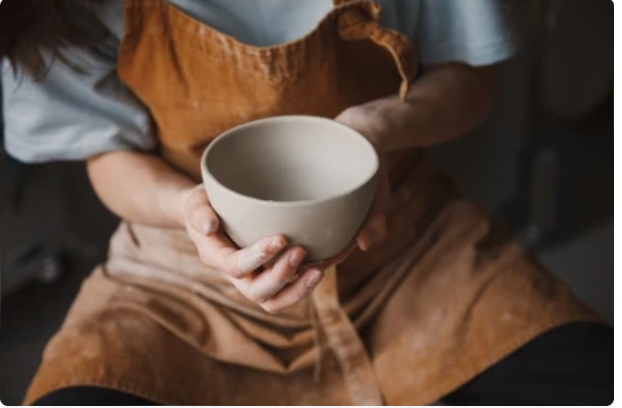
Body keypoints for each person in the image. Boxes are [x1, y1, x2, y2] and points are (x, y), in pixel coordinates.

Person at [1, 0, 613, 405]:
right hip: (180, 274)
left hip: (406, 248)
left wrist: (381, 127)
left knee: (580, 374)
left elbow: (471, 85)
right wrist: (192, 209)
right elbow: (106, 157)